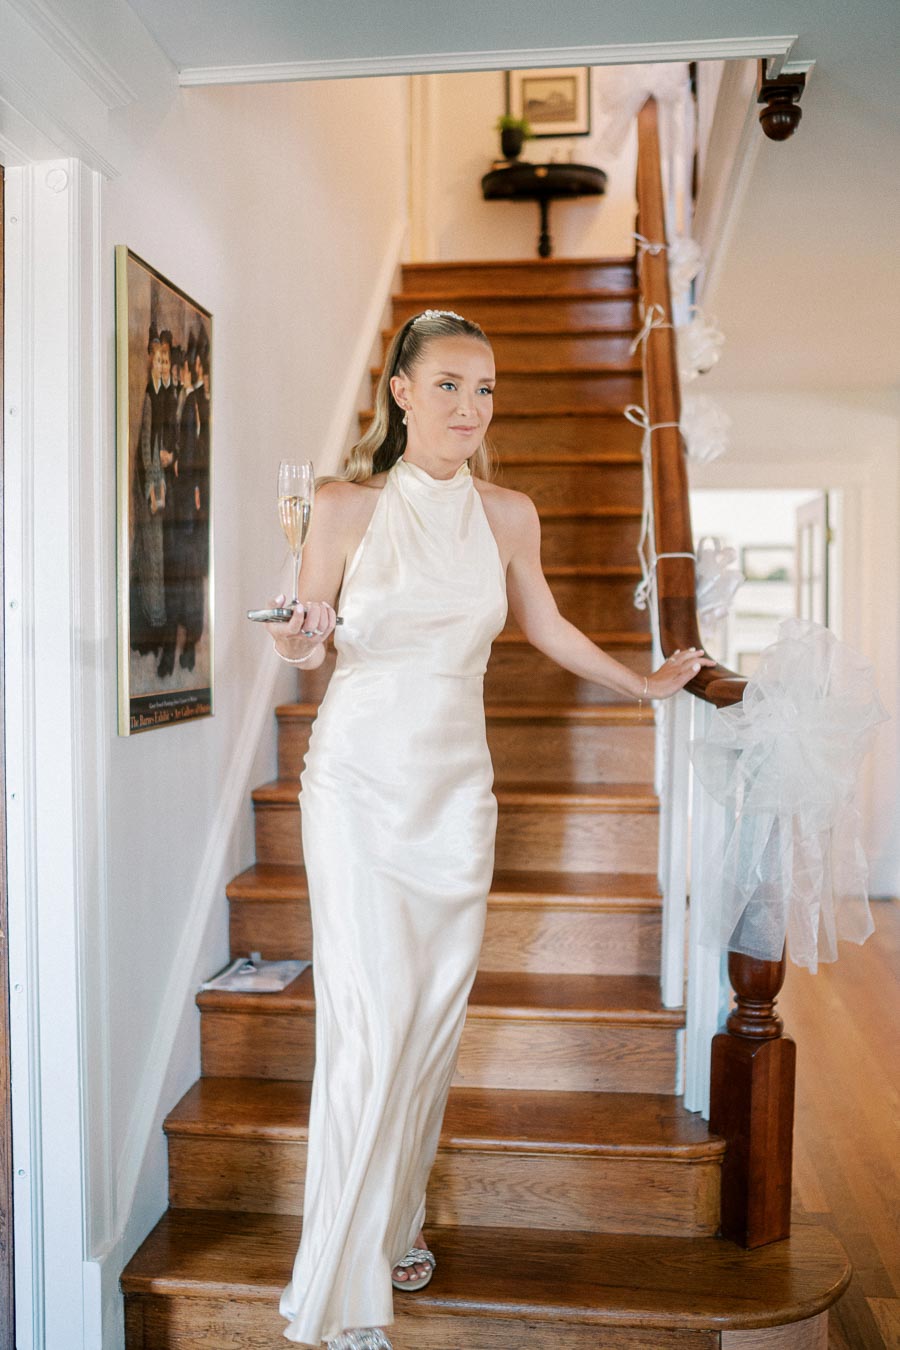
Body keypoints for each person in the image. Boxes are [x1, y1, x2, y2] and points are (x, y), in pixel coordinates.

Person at [263, 310, 714, 1350]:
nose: (472, 407)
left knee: (426, 1029)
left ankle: (399, 1218)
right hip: (359, 785)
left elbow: (546, 626)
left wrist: (645, 684)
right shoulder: (339, 505)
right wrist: (296, 633)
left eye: (488, 389)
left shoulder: (511, 514)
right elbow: (301, 641)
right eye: (451, 385)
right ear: (404, 392)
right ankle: (340, 1291)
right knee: (370, 1026)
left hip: (458, 794)